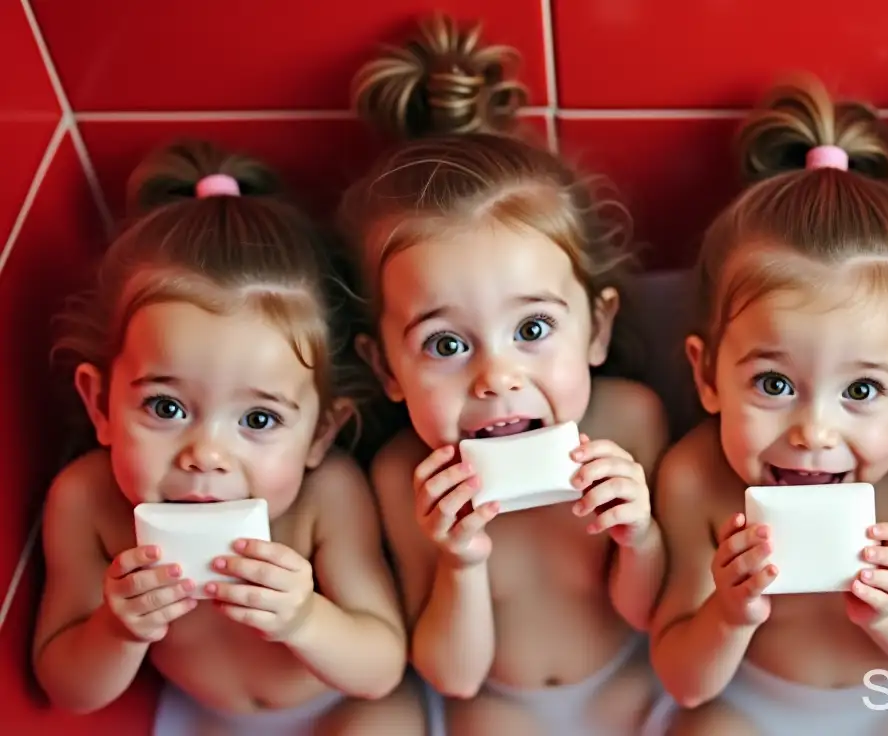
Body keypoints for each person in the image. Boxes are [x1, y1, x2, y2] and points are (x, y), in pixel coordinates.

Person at [340, 13, 669, 735]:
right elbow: (453, 676)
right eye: (446, 344)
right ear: (385, 367)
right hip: (494, 705)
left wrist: (638, 537)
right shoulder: (406, 476)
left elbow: (656, 624)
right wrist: (459, 559)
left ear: (598, 328)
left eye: (531, 330)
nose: (495, 376)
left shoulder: (630, 422)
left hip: (631, 683)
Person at [33, 140, 408, 734]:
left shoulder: (326, 495)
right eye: (166, 406)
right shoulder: (86, 502)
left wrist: (305, 618)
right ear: (100, 403)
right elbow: (65, 687)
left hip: (347, 707)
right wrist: (117, 628)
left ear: (320, 433)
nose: (205, 454)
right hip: (204, 715)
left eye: (258, 420)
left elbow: (382, 667)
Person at [645, 75, 888, 735]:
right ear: (707, 375)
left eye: (861, 391)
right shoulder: (695, 478)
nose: (814, 431)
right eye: (773, 385)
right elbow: (682, 682)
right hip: (750, 706)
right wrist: (728, 614)